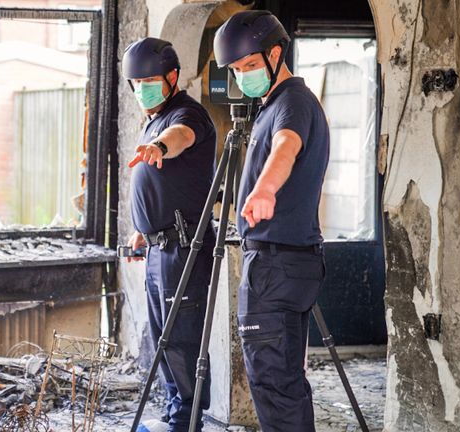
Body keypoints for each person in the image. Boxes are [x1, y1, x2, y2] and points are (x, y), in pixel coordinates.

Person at [213, 10, 331, 432]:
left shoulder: (292, 103)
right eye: (236, 70)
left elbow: (286, 146)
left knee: (273, 386)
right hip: (290, 261)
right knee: (284, 382)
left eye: (249, 66)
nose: (243, 76)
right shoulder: (276, 105)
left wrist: (264, 189)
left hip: (275, 266)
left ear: (275, 53)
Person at [122, 37, 217, 432]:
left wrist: (160, 145)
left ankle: (186, 422)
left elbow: (181, 137)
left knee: (181, 341)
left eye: (149, 80)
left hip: (185, 250)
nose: (141, 88)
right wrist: (145, 230)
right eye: (135, 82)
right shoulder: (153, 115)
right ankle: (175, 416)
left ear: (172, 77)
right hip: (162, 246)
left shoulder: (186, 114)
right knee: (164, 341)